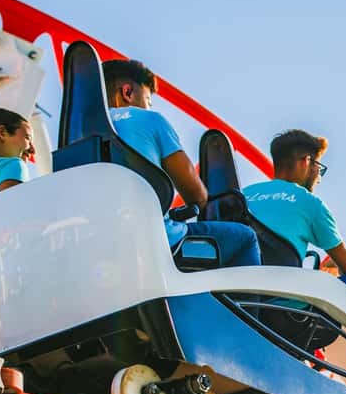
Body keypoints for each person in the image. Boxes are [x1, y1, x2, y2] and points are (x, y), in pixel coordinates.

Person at [243, 129, 346, 378]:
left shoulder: (242, 195)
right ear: (306, 162)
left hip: (239, 303)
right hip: (288, 316)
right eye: (318, 168)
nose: (319, 178)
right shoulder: (309, 203)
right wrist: (331, 269)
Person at [102, 59, 261, 268]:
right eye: (148, 100)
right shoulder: (150, 120)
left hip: (101, 243)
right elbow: (197, 196)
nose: (148, 107)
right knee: (245, 238)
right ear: (128, 92)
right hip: (159, 241)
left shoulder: (76, 135)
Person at [0, 107, 35, 190]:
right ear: (2, 133)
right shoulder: (14, 164)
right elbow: (13, 198)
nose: (33, 150)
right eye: (28, 138)